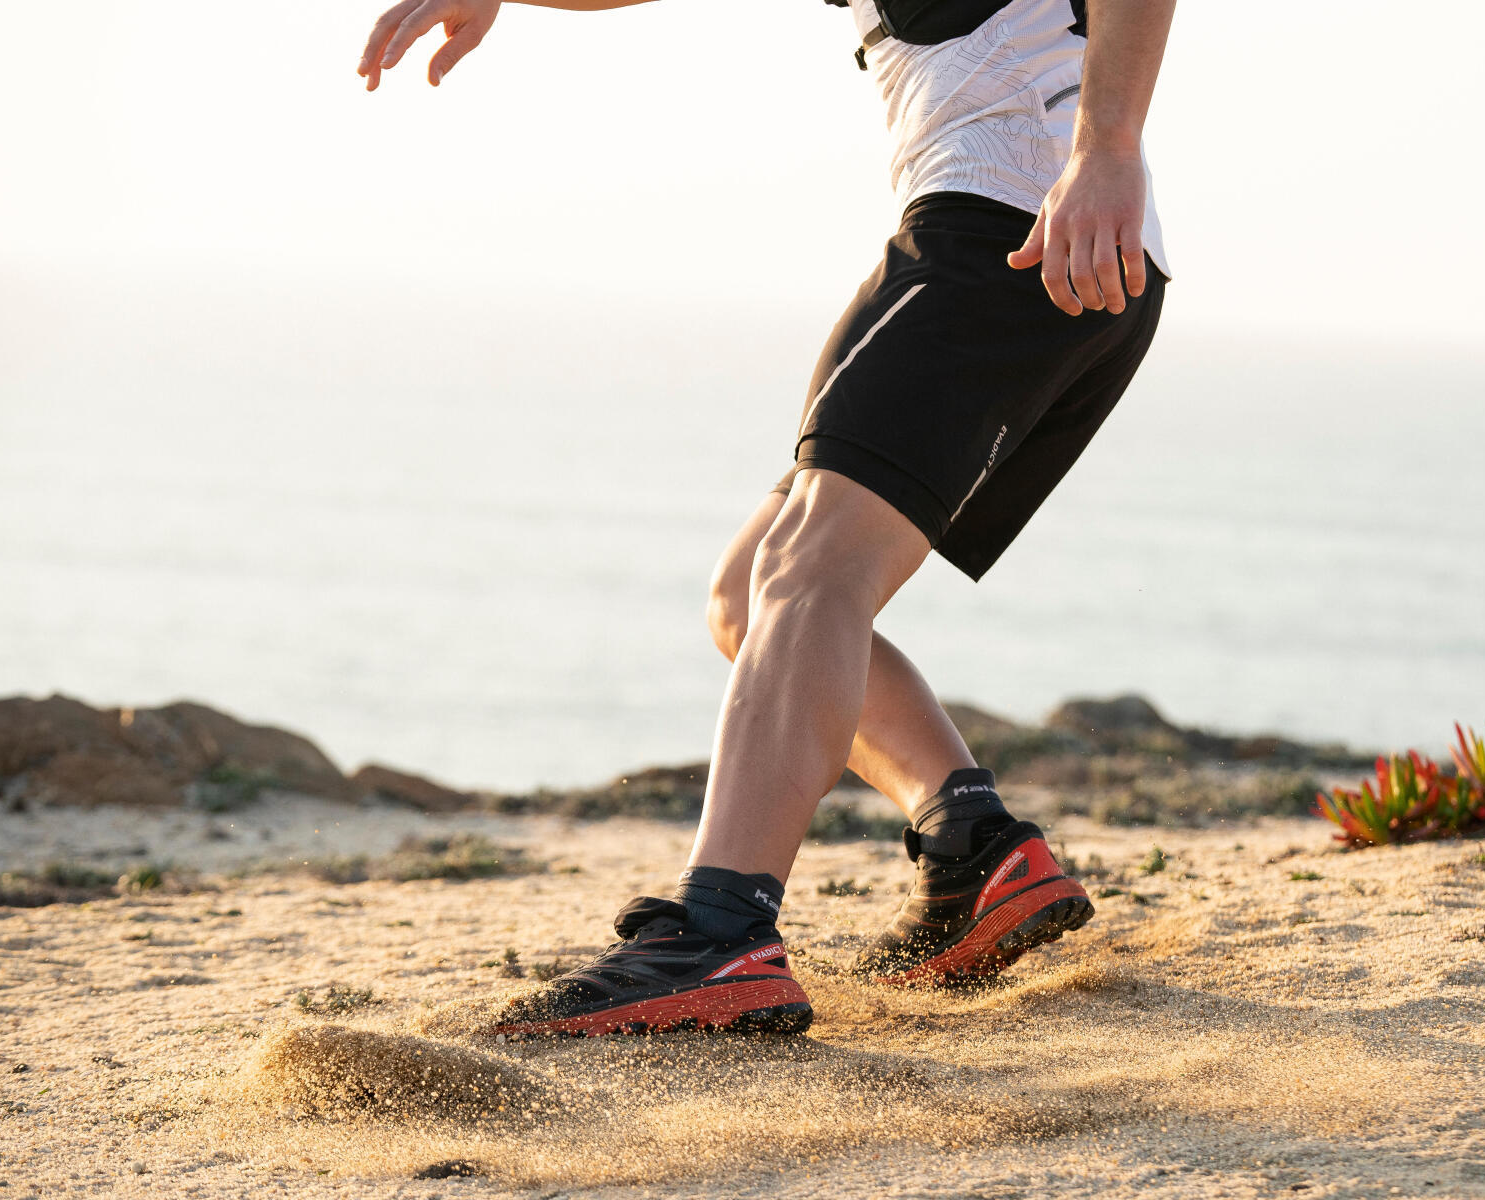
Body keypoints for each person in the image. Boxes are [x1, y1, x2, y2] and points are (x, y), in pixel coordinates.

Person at [358, 0, 1173, 1037]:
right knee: (752, 593)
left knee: (811, 569)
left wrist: (1108, 148)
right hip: (990, 224)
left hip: (1022, 221)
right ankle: (976, 849)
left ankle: (720, 930)